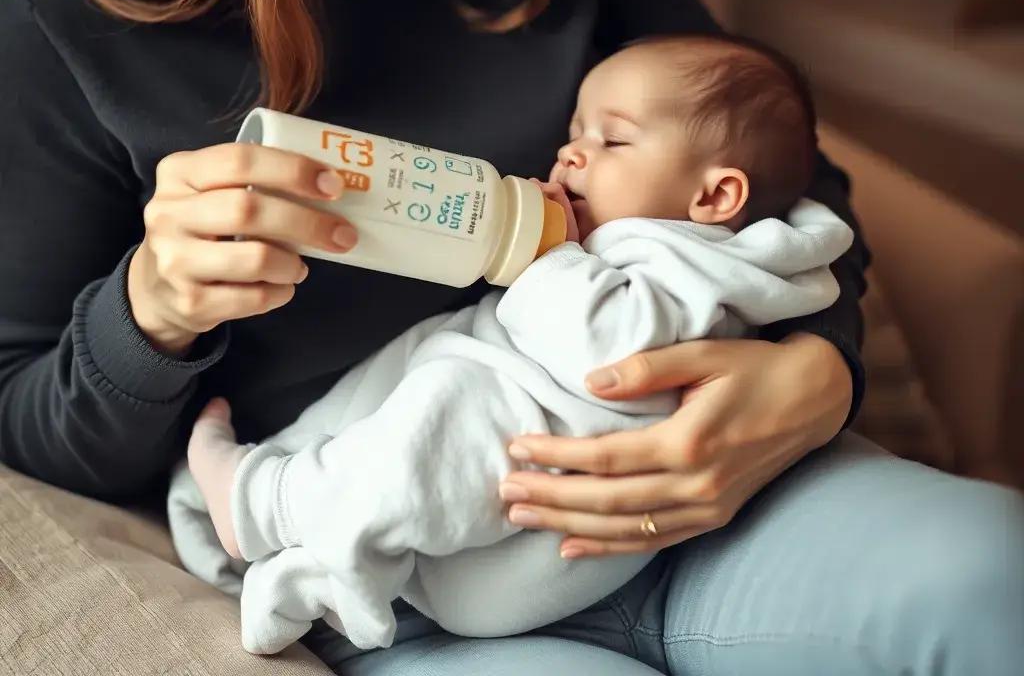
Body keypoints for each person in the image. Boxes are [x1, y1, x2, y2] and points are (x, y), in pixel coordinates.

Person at [0, 0, 1020, 674]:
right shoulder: (62, 31)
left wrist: (815, 374)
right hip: (417, 585)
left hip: (694, 502)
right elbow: (31, 432)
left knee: (993, 573)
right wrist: (152, 315)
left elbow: (779, 177)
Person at [173, 34, 855, 655]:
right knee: (413, 371)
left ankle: (268, 503)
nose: (570, 154)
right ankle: (295, 529)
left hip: (527, 528)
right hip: (485, 529)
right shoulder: (670, 248)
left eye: (613, 142)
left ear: (715, 196)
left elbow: (611, 352)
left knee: (452, 400)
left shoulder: (699, 266)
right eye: (574, 134)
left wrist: (542, 255)